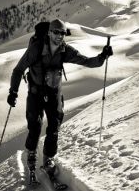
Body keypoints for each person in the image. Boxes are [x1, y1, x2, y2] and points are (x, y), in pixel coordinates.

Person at [7, 19, 113, 180]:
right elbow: (18, 69)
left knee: (54, 127)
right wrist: (13, 91)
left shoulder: (65, 50)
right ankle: (31, 153)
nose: (60, 36)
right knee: (34, 126)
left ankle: (48, 158)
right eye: (56, 32)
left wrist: (102, 56)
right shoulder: (36, 49)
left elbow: (87, 61)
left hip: (54, 93)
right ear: (49, 32)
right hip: (35, 93)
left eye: (63, 33)